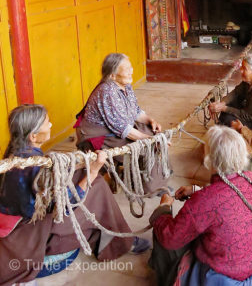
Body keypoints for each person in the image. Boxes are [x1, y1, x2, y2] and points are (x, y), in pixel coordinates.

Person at [0, 104, 150, 286]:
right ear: (33, 136)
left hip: (29, 221)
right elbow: (61, 206)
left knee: (91, 183)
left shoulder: (17, 156)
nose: (51, 125)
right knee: (95, 186)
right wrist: (93, 171)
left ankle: (115, 238)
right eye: (47, 123)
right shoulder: (31, 168)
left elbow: (52, 176)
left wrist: (81, 165)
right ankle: (118, 241)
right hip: (34, 233)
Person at [148, 125, 252, 286]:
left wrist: (164, 209)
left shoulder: (204, 201)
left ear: (209, 158)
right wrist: (196, 191)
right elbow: (229, 198)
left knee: (163, 231)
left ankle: (167, 279)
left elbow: (171, 238)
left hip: (226, 277)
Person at [76, 53, 169, 193]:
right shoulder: (107, 91)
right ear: (113, 76)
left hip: (116, 129)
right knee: (149, 145)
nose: (131, 70)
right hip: (99, 136)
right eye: (126, 68)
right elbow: (124, 129)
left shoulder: (125, 86)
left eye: (130, 66)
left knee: (153, 132)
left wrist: (151, 121)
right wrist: (150, 140)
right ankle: (152, 187)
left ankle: (156, 175)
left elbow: (136, 112)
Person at [208, 52, 252, 128]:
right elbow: (236, 92)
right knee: (229, 104)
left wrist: (224, 108)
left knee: (227, 118)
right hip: (247, 110)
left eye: (245, 69)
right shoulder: (249, 80)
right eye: (241, 67)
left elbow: (251, 116)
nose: (241, 71)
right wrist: (222, 103)